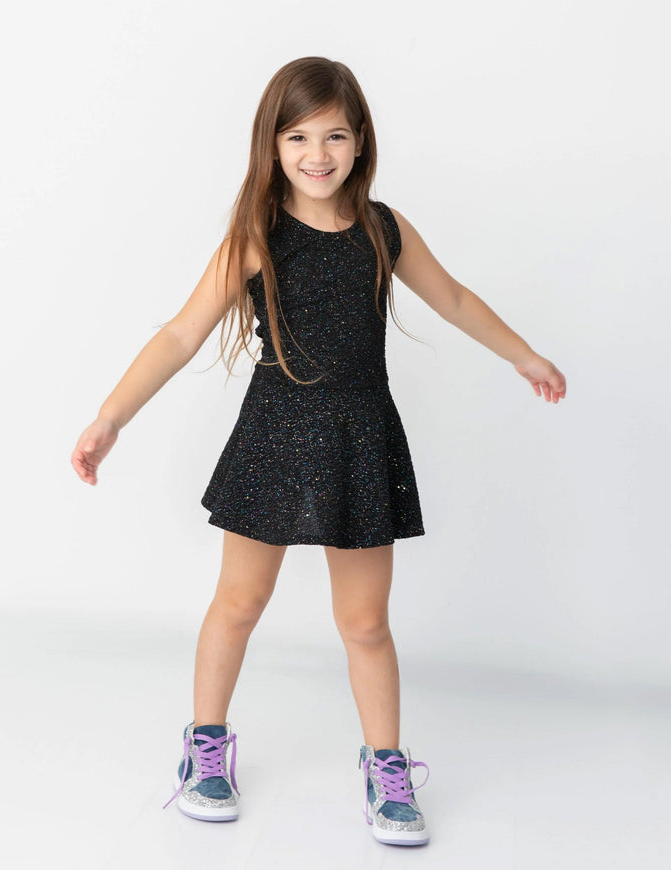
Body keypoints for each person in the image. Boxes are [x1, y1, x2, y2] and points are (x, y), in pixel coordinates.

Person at [71, 56, 566, 847]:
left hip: (361, 438)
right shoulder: (258, 236)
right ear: (272, 146)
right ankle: (205, 747)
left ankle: (386, 766)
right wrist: (111, 418)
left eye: (334, 135)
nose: (317, 153)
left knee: (365, 622)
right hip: (273, 435)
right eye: (298, 136)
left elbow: (454, 298)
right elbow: (181, 334)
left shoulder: (384, 230)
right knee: (240, 602)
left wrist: (524, 355)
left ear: (360, 140)